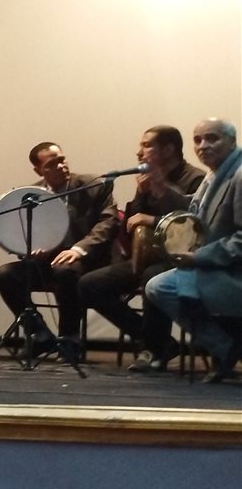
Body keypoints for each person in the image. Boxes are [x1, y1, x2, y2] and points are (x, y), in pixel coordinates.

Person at [78, 125, 207, 372]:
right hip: (147, 255)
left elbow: (195, 223)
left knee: (152, 275)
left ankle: (153, 349)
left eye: (147, 145)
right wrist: (141, 195)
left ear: (168, 149)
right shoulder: (146, 178)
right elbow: (130, 225)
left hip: (182, 258)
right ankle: (158, 341)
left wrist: (153, 219)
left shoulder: (195, 179)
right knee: (89, 285)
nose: (139, 153)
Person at [0, 142, 118, 352]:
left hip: (88, 259)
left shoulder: (93, 185)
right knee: (4, 274)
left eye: (62, 160)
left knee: (64, 271)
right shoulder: (31, 197)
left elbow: (109, 222)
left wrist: (78, 249)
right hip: (48, 261)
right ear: (39, 170)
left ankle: (69, 338)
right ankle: (40, 335)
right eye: (51, 164)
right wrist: (32, 250)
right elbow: (25, 234)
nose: (60, 166)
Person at [144, 119, 242, 383]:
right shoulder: (216, 172)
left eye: (212, 138)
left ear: (232, 141)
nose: (203, 145)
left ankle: (226, 347)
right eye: (198, 140)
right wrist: (163, 188)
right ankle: (227, 347)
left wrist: (200, 257)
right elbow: (194, 209)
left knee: (162, 287)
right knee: (158, 284)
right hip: (217, 266)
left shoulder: (240, 174)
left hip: (233, 271)